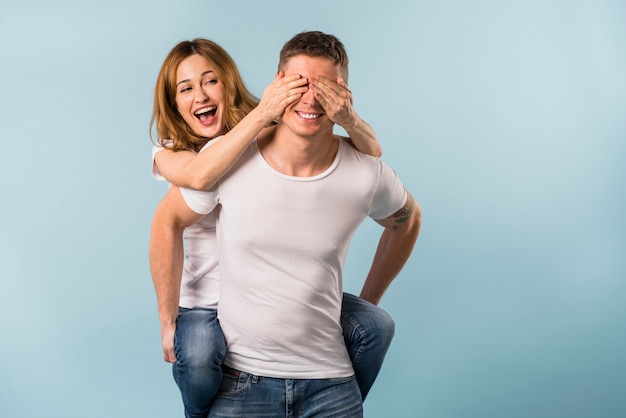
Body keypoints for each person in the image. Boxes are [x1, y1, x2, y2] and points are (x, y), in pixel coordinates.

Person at [150, 31, 421, 417]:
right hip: (209, 311)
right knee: (196, 356)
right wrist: (167, 320)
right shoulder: (191, 156)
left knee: (376, 326)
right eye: (186, 89)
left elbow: (383, 173)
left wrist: (350, 120)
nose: (201, 95)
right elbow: (190, 188)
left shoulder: (353, 165)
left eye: (211, 81)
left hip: (325, 374)